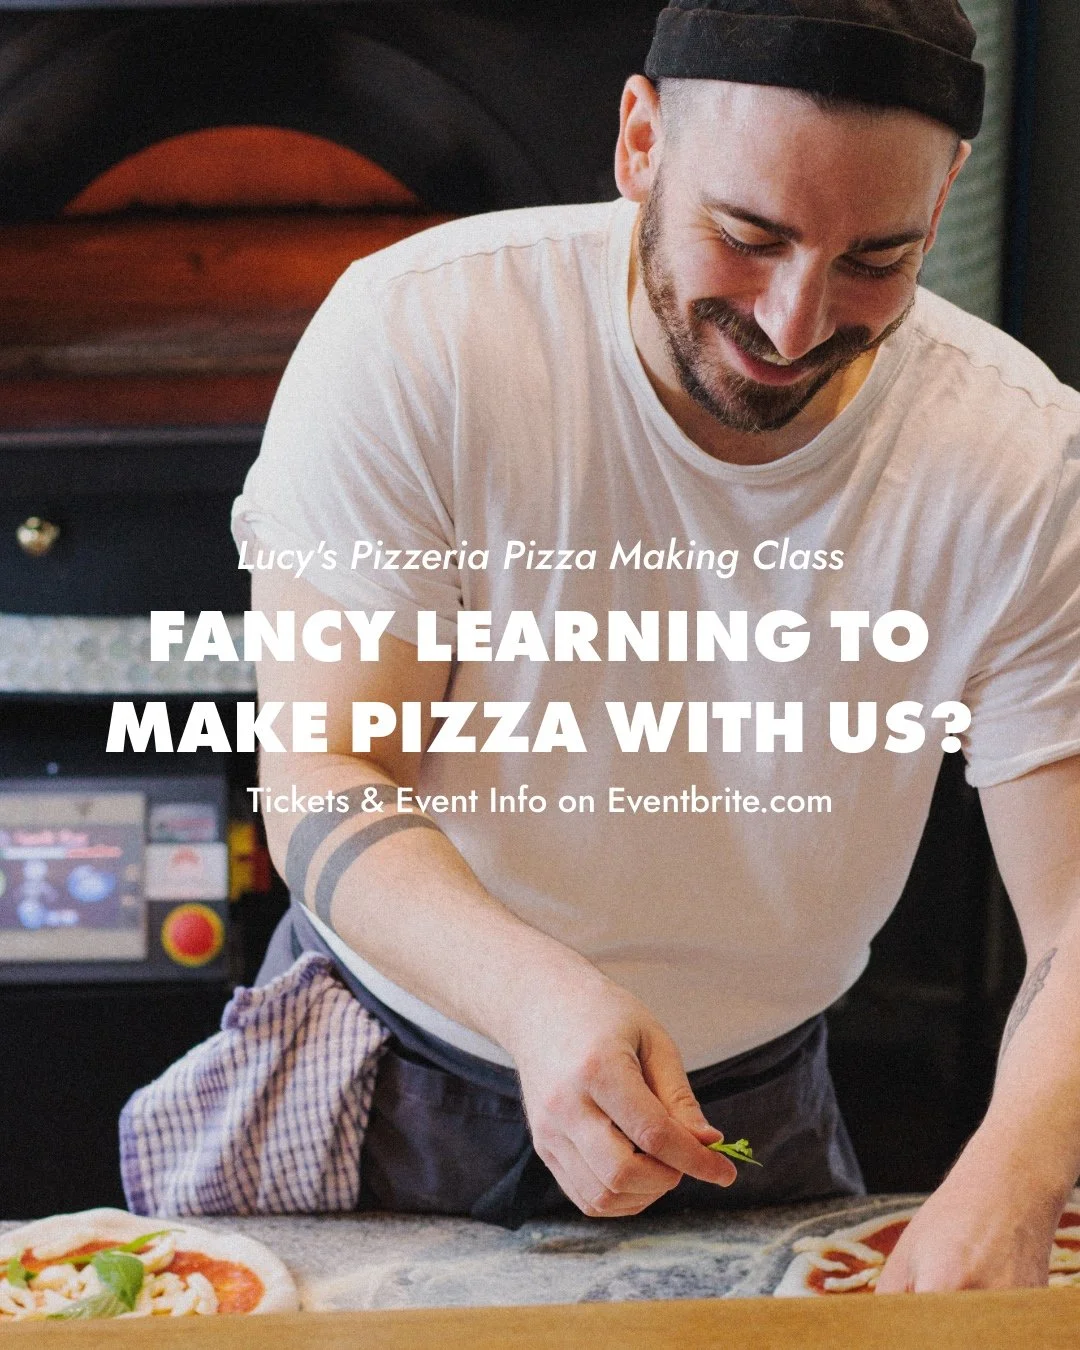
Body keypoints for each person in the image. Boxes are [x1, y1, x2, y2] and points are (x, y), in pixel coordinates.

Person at [232, 0, 1080, 1290]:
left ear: (948, 189)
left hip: (756, 1096)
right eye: (748, 238)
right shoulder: (423, 334)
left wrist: (1017, 1167)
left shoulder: (1017, 458)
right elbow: (324, 775)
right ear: (641, 141)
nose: (796, 325)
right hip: (390, 1065)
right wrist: (534, 998)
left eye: (877, 260)